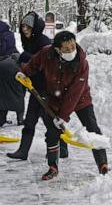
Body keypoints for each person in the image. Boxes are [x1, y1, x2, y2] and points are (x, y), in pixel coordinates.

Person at [16, 31, 108, 180]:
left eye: (73, 46)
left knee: (92, 127)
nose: (71, 50)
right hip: (55, 98)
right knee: (52, 132)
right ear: (57, 49)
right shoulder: (47, 53)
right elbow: (34, 63)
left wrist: (63, 117)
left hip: (80, 99)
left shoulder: (82, 62)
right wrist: (24, 72)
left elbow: (75, 92)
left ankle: (103, 164)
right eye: (66, 49)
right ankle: (53, 167)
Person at [7, 12, 68, 160]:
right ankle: (23, 151)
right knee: (30, 121)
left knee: (49, 121)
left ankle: (62, 148)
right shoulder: (29, 41)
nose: (25, 29)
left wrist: (24, 57)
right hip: (36, 88)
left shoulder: (43, 41)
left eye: (28, 26)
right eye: (23, 26)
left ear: (34, 27)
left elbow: (46, 61)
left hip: (48, 89)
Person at [0, 20, 24, 126]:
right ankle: (20, 119)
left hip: (2, 64)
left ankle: (1, 120)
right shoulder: (9, 34)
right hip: (13, 63)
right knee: (18, 91)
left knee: (2, 94)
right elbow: (13, 48)